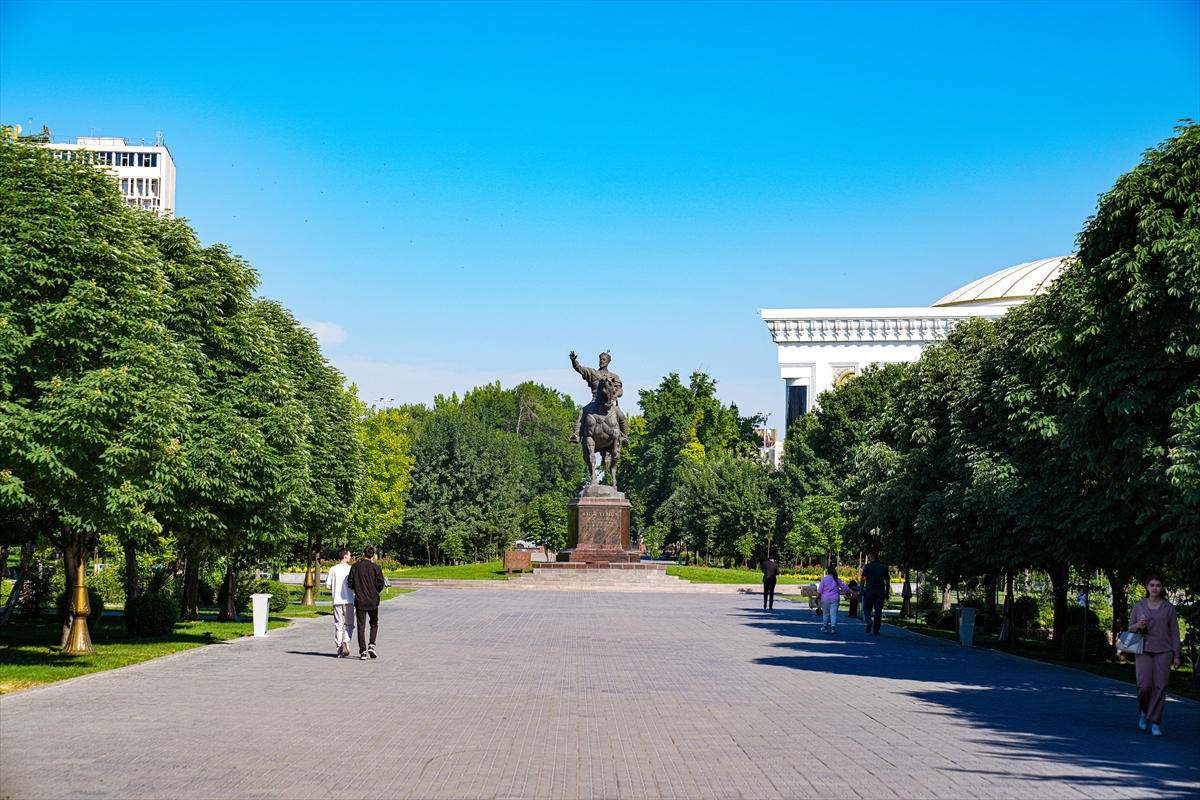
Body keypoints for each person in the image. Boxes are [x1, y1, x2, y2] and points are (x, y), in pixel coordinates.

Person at [1128, 574, 1182, 736]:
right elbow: (1130, 628)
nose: (1155, 588)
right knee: (1143, 685)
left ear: (1162, 588)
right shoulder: (1139, 606)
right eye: (1152, 585)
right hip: (1143, 648)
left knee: (1161, 685)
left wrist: (1177, 654)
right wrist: (1136, 626)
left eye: (1158, 585)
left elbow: (1174, 632)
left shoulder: (1168, 608)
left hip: (1164, 650)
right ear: (1147, 587)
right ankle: (1144, 712)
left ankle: (1156, 721)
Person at [347, 545, 386, 660]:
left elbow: (350, 583)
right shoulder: (376, 568)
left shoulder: (355, 567)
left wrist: (357, 591)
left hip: (360, 600)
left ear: (363, 554)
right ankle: (372, 644)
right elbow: (380, 583)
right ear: (373, 555)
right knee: (374, 623)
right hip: (373, 600)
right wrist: (375, 592)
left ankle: (362, 650)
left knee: (361, 625)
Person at [325, 547, 355, 657]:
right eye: (350, 555)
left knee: (338, 625)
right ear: (345, 556)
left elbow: (328, 586)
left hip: (336, 601)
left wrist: (335, 587)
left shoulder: (333, 569)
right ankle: (346, 640)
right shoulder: (350, 569)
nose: (351, 557)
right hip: (349, 600)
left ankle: (339, 651)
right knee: (350, 624)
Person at [861, 552, 889, 635]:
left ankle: (869, 621)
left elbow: (863, 578)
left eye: (869, 557)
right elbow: (887, 580)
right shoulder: (884, 567)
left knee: (866, 608)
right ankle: (876, 630)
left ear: (873, 557)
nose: (869, 559)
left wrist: (861, 589)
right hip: (880, 591)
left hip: (870, 590)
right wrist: (887, 592)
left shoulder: (867, 566)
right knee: (878, 610)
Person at [818, 564, 850, 633]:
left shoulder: (824, 580)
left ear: (827, 571)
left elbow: (820, 591)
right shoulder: (837, 579)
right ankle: (833, 628)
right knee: (834, 613)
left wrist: (817, 598)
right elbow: (845, 588)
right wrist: (853, 592)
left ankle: (825, 628)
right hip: (835, 598)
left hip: (825, 599)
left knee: (825, 613)